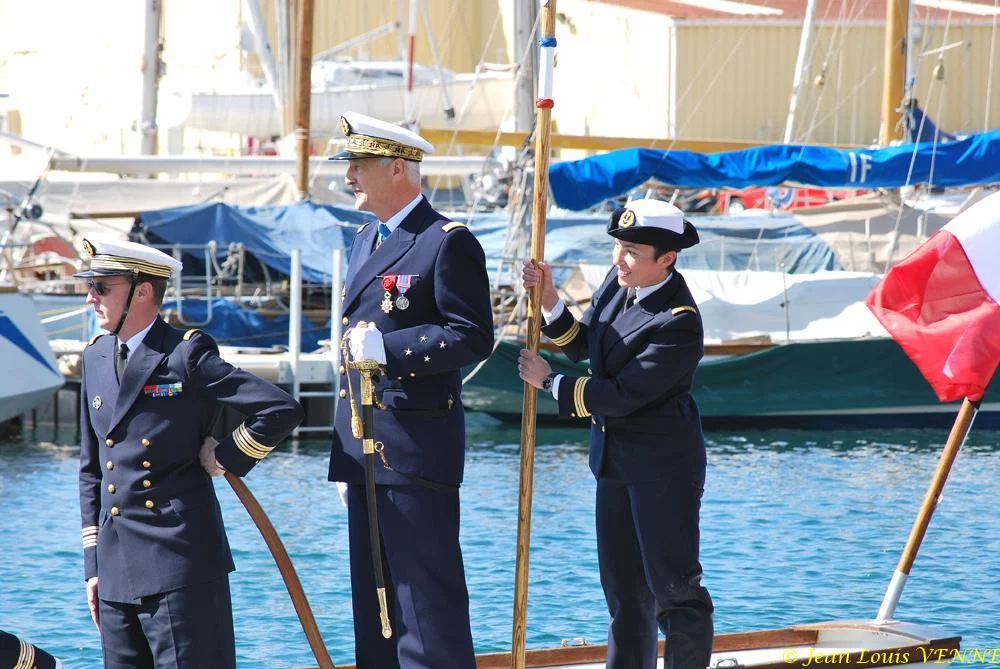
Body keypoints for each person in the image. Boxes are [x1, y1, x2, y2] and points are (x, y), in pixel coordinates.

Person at [75, 238, 303, 669]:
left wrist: (229, 454)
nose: (91, 297)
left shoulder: (185, 353)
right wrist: (93, 565)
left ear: (142, 290)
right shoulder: (95, 356)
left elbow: (279, 408)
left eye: (102, 287)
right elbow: (91, 469)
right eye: (91, 286)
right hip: (115, 568)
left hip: (179, 562)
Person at [327, 112, 494, 669]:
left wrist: (391, 350)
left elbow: (473, 337)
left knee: (426, 614)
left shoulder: (446, 242)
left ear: (398, 168)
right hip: (365, 453)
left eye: (359, 164)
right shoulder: (363, 240)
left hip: (415, 453)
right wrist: (346, 459)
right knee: (375, 614)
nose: (348, 175)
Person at [519, 198, 714, 669]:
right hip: (614, 463)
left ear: (667, 258)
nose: (619, 259)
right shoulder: (618, 282)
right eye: (618, 247)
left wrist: (551, 383)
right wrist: (549, 300)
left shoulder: (679, 322)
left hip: (662, 470)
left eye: (632, 251)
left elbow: (625, 394)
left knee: (674, 591)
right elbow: (589, 344)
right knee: (624, 594)